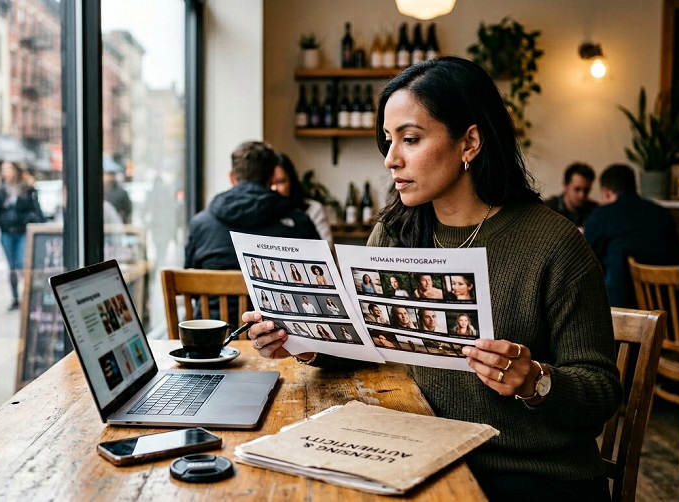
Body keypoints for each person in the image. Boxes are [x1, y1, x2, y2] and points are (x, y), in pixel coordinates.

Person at [242, 57, 620, 500]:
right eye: (388, 141)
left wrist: (535, 379)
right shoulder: (395, 232)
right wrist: (302, 341)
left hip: (529, 474)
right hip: (418, 454)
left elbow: (602, 393)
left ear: (470, 142)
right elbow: (369, 345)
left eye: (411, 139)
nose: (390, 159)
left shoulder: (554, 244)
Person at [185, 141, 319, 273]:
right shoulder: (299, 222)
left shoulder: (200, 224)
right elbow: (323, 279)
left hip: (213, 295)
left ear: (232, 177)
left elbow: (187, 283)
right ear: (272, 177)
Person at [583, 164, 679, 308]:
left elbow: (586, 257)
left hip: (622, 307)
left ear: (606, 192)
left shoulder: (603, 215)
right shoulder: (661, 213)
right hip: (666, 305)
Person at [0, 161, 44, 311]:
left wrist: (42, 226)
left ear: (15, 170)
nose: (6, 172)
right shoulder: (1, 191)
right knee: (11, 267)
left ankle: (27, 296)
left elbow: (37, 210)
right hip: (6, 232)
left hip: (22, 232)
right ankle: (14, 298)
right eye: (3, 169)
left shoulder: (26, 189)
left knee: (21, 264)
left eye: (8, 169)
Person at [270, 152, 334, 250]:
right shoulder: (260, 212)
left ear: (291, 182)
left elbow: (327, 250)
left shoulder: (313, 209)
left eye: (280, 182)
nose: (274, 188)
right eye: (269, 183)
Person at [544, 162, 598, 230]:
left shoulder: (595, 210)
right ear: (565, 186)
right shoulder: (549, 209)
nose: (582, 195)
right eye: (577, 189)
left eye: (586, 190)